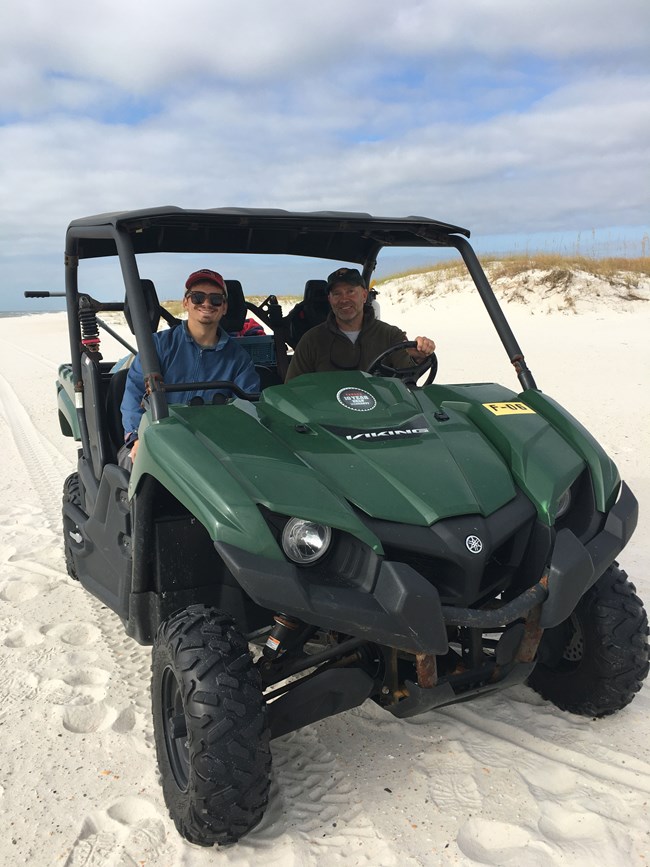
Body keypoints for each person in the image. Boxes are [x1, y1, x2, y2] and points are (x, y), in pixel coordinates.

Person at [119, 268, 260, 467]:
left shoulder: (239, 359)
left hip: (213, 446)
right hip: (157, 439)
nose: (207, 304)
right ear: (186, 302)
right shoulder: (158, 346)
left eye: (215, 299)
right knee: (136, 466)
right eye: (198, 297)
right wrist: (137, 437)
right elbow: (134, 395)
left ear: (224, 307)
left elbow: (247, 409)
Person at [285, 267, 435, 381]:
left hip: (383, 415)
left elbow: (407, 377)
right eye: (337, 294)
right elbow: (292, 389)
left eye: (351, 292)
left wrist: (418, 357)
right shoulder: (312, 340)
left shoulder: (390, 335)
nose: (344, 299)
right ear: (330, 299)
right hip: (328, 417)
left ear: (364, 295)